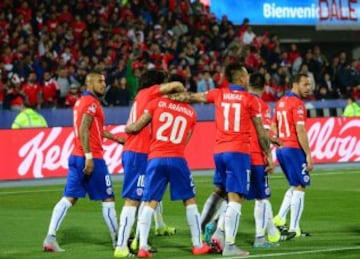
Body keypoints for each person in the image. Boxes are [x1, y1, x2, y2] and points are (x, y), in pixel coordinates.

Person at [169, 63, 274, 256]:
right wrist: (268, 155)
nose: (248, 77)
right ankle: (230, 245)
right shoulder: (250, 100)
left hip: (219, 152)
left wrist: (168, 98)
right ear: (242, 79)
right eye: (246, 74)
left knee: (222, 191)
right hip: (238, 152)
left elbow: (192, 96)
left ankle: (205, 228)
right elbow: (261, 132)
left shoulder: (219, 93)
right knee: (236, 198)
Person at [43, 71, 124, 252]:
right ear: (90, 84)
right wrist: (89, 156)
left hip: (76, 156)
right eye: (100, 81)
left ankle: (50, 237)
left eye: (104, 81)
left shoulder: (82, 102)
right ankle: (118, 239)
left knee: (69, 198)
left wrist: (116, 139)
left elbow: (96, 129)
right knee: (108, 198)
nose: (104, 84)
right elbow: (84, 129)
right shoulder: (91, 103)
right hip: (91, 157)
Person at [124, 89, 211, 258]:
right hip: (177, 158)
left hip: (155, 158)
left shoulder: (156, 103)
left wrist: (127, 128)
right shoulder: (191, 112)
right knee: (189, 200)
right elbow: (186, 139)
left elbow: (136, 127)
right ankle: (197, 245)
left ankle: (142, 247)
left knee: (150, 202)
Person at [114, 70, 183, 257]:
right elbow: (176, 85)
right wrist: (179, 94)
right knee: (133, 199)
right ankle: (121, 246)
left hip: (138, 151)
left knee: (145, 198)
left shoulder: (142, 98)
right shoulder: (151, 92)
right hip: (138, 152)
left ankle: (137, 240)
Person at [246, 73, 295, 248]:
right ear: (264, 87)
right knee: (262, 198)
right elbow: (263, 133)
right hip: (256, 156)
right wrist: (269, 156)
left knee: (233, 198)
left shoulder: (239, 101)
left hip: (238, 155)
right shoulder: (261, 105)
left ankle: (218, 232)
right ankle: (261, 237)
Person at [272, 73, 313, 238]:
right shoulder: (297, 104)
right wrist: (308, 155)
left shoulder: (281, 102)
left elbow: (273, 125)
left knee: (295, 184)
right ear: (295, 84)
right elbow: (300, 130)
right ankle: (294, 228)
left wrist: (278, 141)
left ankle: (280, 218)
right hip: (293, 148)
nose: (308, 88)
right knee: (300, 187)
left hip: (282, 150)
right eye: (305, 84)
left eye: (309, 84)